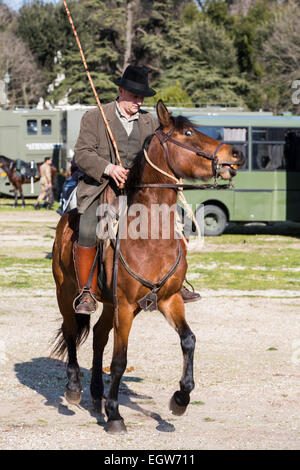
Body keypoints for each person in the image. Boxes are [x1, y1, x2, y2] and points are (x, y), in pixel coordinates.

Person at [73, 65, 200, 315]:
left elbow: (161, 155)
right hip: (101, 189)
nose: (138, 101)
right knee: (88, 228)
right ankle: (86, 291)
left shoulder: (151, 121)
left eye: (142, 96)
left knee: (177, 225)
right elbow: (82, 154)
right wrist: (109, 168)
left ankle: (176, 283)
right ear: (121, 91)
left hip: (140, 193)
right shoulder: (95, 116)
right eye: (134, 95)